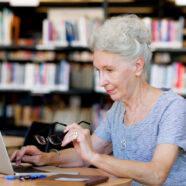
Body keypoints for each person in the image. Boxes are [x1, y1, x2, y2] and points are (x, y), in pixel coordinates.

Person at [11, 14, 186, 185]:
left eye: (109, 70)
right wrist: (45, 158)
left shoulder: (173, 108)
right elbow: (85, 154)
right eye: (98, 71)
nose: (102, 81)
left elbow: (156, 175)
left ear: (137, 66)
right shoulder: (119, 108)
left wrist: (94, 157)